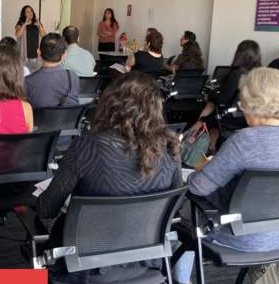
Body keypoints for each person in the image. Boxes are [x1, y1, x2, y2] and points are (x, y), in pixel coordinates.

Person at [37, 71, 183, 283]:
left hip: (83, 266)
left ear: (110, 103)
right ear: (156, 108)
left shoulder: (87, 147)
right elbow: (174, 207)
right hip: (146, 260)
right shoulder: (171, 148)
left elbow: (46, 209)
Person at [187, 67, 279, 253]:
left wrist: (200, 170)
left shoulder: (245, 140)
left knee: (175, 215)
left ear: (251, 102)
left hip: (237, 235)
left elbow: (197, 188)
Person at [189, 40, 262, 150]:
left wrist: (211, 94)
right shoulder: (260, 74)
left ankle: (191, 137)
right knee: (212, 111)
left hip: (231, 117)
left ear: (239, 54)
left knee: (209, 107)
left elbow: (223, 99)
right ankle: (209, 145)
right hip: (251, 116)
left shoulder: (236, 74)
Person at [25, 33, 80, 108]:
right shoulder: (73, 77)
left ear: (38, 52)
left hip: (39, 119)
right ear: (64, 56)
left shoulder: (27, 82)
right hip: (70, 119)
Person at [15, 5, 46, 72]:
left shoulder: (36, 23)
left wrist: (39, 24)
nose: (30, 13)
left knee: (36, 74)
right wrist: (25, 24)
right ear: (24, 14)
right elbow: (18, 35)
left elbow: (43, 35)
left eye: (31, 11)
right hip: (25, 54)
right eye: (27, 12)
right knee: (25, 74)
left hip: (36, 54)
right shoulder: (20, 23)